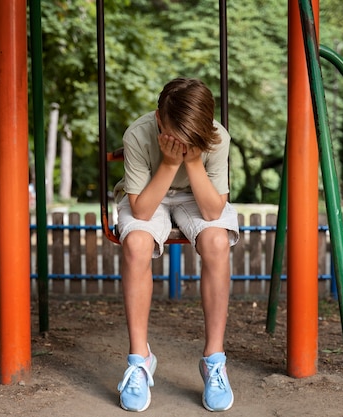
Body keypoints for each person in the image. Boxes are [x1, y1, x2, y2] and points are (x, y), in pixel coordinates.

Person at [113, 78, 239, 412]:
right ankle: (140, 359)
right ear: (158, 120)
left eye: (191, 139)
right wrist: (170, 164)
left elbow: (214, 210)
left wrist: (193, 161)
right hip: (149, 193)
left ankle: (214, 359)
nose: (183, 144)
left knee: (216, 240)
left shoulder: (217, 137)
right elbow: (140, 210)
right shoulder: (138, 134)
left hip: (197, 197)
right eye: (175, 136)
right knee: (137, 243)